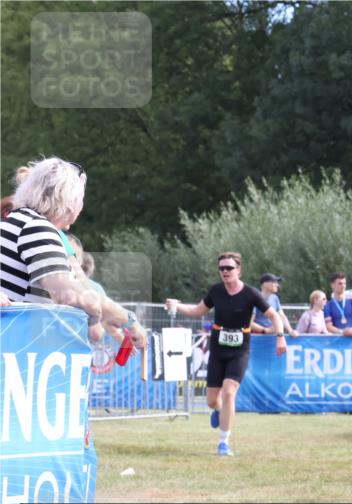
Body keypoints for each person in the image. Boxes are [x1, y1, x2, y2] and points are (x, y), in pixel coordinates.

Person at [1, 158, 146, 349]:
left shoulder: (16, 223)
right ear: (72, 205)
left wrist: (126, 320)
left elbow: (81, 287)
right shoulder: (37, 228)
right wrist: (95, 311)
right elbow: (68, 294)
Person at [165, 252, 286, 456]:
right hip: (218, 349)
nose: (225, 272)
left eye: (229, 268)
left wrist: (280, 336)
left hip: (240, 349)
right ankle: (218, 410)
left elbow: (274, 316)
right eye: (221, 268)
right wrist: (178, 306)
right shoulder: (216, 291)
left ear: (238, 270)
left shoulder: (251, 293)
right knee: (213, 400)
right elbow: (198, 311)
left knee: (229, 392)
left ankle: (224, 442)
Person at [252, 273, 298, 337]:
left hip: (273, 337)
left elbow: (282, 316)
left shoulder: (275, 298)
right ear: (265, 284)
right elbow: (249, 323)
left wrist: (290, 330)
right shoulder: (254, 299)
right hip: (258, 338)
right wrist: (266, 330)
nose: (277, 285)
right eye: (274, 282)